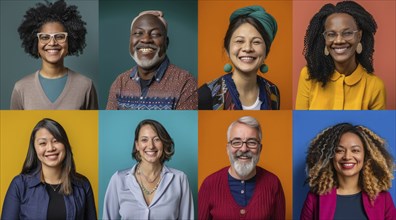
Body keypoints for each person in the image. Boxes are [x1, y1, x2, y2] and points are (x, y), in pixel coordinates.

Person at [295, 1, 386, 110]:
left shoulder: (375, 86)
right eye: (331, 34)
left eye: (347, 33)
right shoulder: (308, 76)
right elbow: (303, 123)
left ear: (359, 36)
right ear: (324, 39)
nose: (339, 40)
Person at [1, 118, 97, 219]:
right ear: (34, 148)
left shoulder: (82, 184)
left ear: (65, 145)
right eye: (43, 143)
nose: (50, 148)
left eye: (56, 141)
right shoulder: (20, 184)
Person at [11, 0, 98, 110]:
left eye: (60, 36)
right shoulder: (21, 88)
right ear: (35, 42)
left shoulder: (86, 86)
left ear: (69, 41)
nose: (52, 43)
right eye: (44, 37)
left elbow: (92, 126)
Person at [301, 123, 395, 219]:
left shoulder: (383, 198)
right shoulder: (314, 198)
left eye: (355, 150)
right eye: (339, 150)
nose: (347, 157)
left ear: (366, 156)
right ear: (330, 157)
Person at [103, 119, 194, 219]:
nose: (151, 146)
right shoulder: (118, 180)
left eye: (157, 139)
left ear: (163, 143)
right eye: (144, 140)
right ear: (137, 145)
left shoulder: (180, 179)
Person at [106, 10, 197, 110]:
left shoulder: (185, 83)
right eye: (138, 33)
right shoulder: (120, 82)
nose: (145, 39)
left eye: (155, 34)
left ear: (166, 43)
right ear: (130, 42)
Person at [198, 116, 285, 219]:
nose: (244, 149)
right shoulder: (209, 184)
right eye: (236, 142)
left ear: (260, 149)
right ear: (228, 148)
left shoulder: (273, 183)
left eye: (252, 142)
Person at [198, 6, 280, 110]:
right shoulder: (205, 95)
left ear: (266, 52)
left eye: (256, 42)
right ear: (227, 49)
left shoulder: (273, 91)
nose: (247, 48)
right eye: (239, 41)